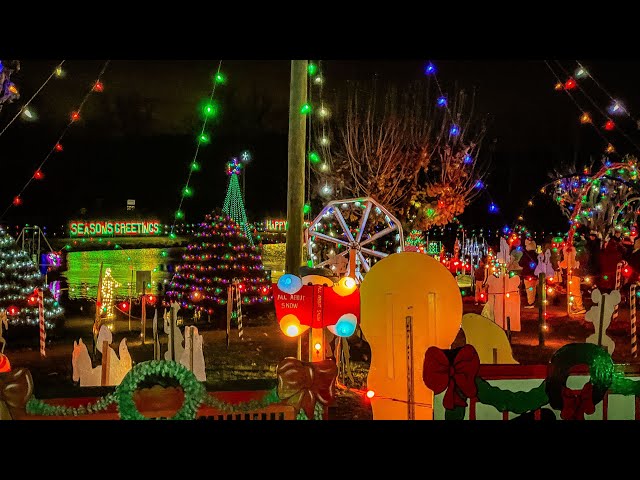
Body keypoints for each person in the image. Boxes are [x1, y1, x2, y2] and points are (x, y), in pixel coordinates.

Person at [519, 238, 538, 308]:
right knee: (533, 288)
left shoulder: (526, 255)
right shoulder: (536, 255)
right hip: (535, 274)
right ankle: (533, 301)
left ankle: (530, 302)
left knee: (529, 289)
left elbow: (520, 263)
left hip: (527, 274)